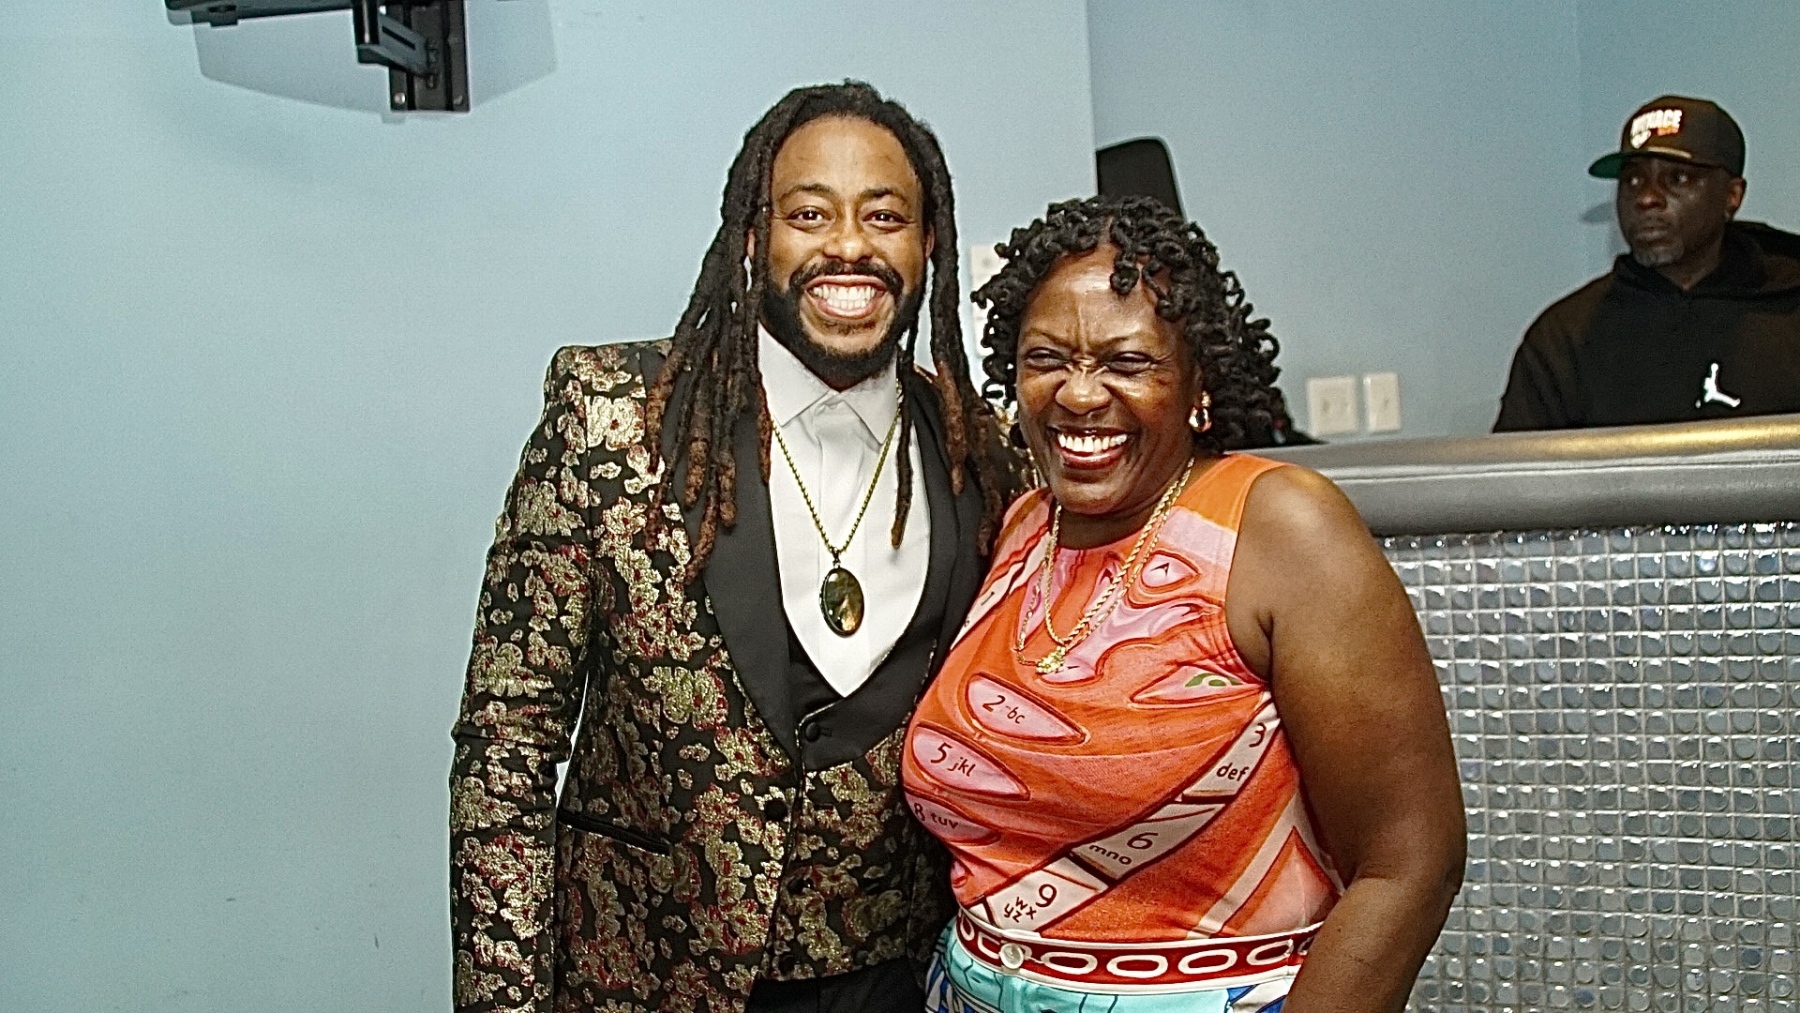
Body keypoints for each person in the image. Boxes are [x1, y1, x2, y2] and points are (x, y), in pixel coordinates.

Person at [449, 81, 1022, 1013]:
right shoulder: (610, 420)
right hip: (644, 981)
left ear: (928, 245)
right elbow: (505, 744)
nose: (849, 245)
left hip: (895, 983)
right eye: (809, 213)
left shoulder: (982, 455)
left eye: (885, 216)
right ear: (754, 237)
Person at [903, 196, 1465, 1013]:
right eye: (1046, 357)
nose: (1079, 394)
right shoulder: (1025, 525)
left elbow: (1411, 864)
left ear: (1198, 381)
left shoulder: (1280, 525)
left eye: (1128, 362)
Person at [1495, 95, 1800, 431]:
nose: (1647, 197)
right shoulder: (1565, 338)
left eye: (1678, 179)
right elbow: (1516, 465)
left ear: (1732, 196)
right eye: (1634, 180)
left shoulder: (1788, 312)